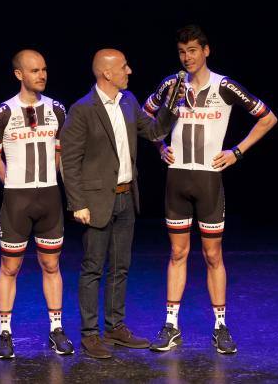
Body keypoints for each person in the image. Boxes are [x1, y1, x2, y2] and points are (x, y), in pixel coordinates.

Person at [143, 25, 277, 355]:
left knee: (213, 255)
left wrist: (237, 151)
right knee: (177, 253)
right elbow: (145, 116)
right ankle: (171, 326)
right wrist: (160, 145)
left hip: (208, 181)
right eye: (181, 51)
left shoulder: (224, 86)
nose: (187, 57)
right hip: (177, 179)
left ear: (206, 51)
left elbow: (268, 118)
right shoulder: (170, 85)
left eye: (192, 50)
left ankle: (220, 326)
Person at [60, 48, 179, 359]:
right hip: (96, 201)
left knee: (121, 267)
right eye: (124, 67)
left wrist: (171, 106)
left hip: (126, 196)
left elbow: (154, 130)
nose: (130, 71)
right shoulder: (82, 109)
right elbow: (69, 162)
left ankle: (115, 327)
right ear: (107, 74)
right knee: (93, 268)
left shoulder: (128, 101)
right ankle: (90, 334)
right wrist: (77, 203)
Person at [0, 50, 74, 359]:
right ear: (19, 74)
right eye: (35, 70)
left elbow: (61, 149)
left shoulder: (58, 110)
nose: (42, 75)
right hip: (17, 200)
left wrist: (50, 177)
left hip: (49, 197)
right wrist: (12, 183)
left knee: (51, 264)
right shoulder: (4, 112)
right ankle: (5, 332)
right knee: (10, 267)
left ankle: (56, 329)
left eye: (44, 70)